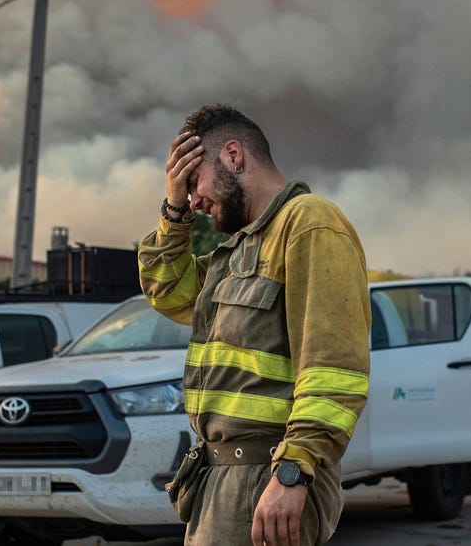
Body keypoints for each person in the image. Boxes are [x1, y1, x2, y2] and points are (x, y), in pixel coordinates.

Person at [137, 104, 371, 546]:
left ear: (233, 155)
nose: (193, 200)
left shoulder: (309, 223)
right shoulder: (239, 250)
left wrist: (293, 471)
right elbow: (167, 291)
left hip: (268, 478)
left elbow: (334, 372)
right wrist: (172, 212)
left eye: (193, 182)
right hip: (220, 481)